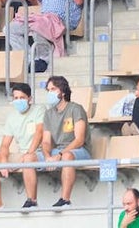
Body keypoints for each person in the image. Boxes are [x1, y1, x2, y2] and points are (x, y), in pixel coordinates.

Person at [0, 83, 44, 210]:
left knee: (27, 159)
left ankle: (32, 201)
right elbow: (5, 144)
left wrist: (29, 153)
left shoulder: (39, 109)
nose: (18, 101)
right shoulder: (11, 117)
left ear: (30, 99)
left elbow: (39, 133)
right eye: (15, 98)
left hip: (38, 152)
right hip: (21, 154)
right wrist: (4, 161)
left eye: (22, 98)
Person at [39, 76, 90, 208]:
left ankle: (65, 200)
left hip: (79, 151)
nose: (50, 93)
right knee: (28, 158)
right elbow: (45, 142)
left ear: (62, 91)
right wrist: (47, 157)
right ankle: (31, 201)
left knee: (67, 156)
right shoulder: (48, 114)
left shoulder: (76, 109)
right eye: (48, 90)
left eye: (53, 89)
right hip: (57, 151)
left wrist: (59, 155)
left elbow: (79, 140)